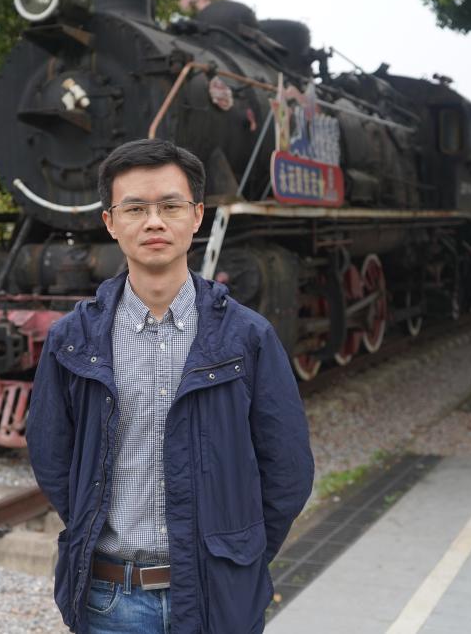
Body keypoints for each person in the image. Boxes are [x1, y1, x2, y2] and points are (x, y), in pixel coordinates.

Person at [26, 138, 314, 633]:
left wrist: (237, 557)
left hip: (217, 596)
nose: (154, 222)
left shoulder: (247, 337)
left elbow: (287, 469)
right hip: (110, 602)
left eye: (170, 206)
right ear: (110, 222)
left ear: (197, 216)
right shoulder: (72, 340)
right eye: (135, 208)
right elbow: (50, 454)